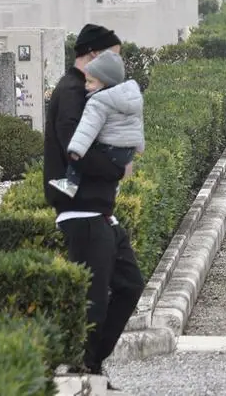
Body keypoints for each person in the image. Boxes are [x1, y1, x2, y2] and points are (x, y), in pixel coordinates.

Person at [43, 23, 144, 384]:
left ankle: (93, 361)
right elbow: (75, 151)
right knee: (94, 298)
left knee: (130, 284)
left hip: (101, 210)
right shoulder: (72, 91)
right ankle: (83, 371)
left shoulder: (92, 91)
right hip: (81, 210)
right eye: (113, 57)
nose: (118, 65)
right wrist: (117, 169)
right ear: (93, 56)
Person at [48, 50, 145, 198]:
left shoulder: (98, 101)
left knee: (83, 157)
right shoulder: (132, 96)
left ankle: (71, 184)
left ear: (105, 81)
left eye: (91, 82)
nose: (86, 85)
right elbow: (137, 123)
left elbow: (88, 128)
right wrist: (139, 146)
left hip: (111, 149)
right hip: (127, 152)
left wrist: (76, 149)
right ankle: (113, 186)